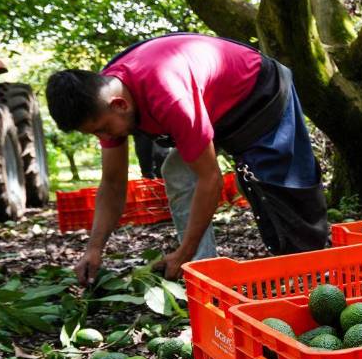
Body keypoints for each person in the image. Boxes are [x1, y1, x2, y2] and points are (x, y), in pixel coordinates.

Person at [45, 33, 329, 284]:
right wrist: (94, 248)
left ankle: (316, 269)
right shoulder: (104, 99)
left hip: (259, 93)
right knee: (179, 173)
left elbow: (211, 179)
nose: (105, 136)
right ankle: (203, 271)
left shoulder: (167, 94)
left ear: (119, 104)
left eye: (104, 130)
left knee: (278, 186)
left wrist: (183, 250)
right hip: (211, 105)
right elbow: (113, 184)